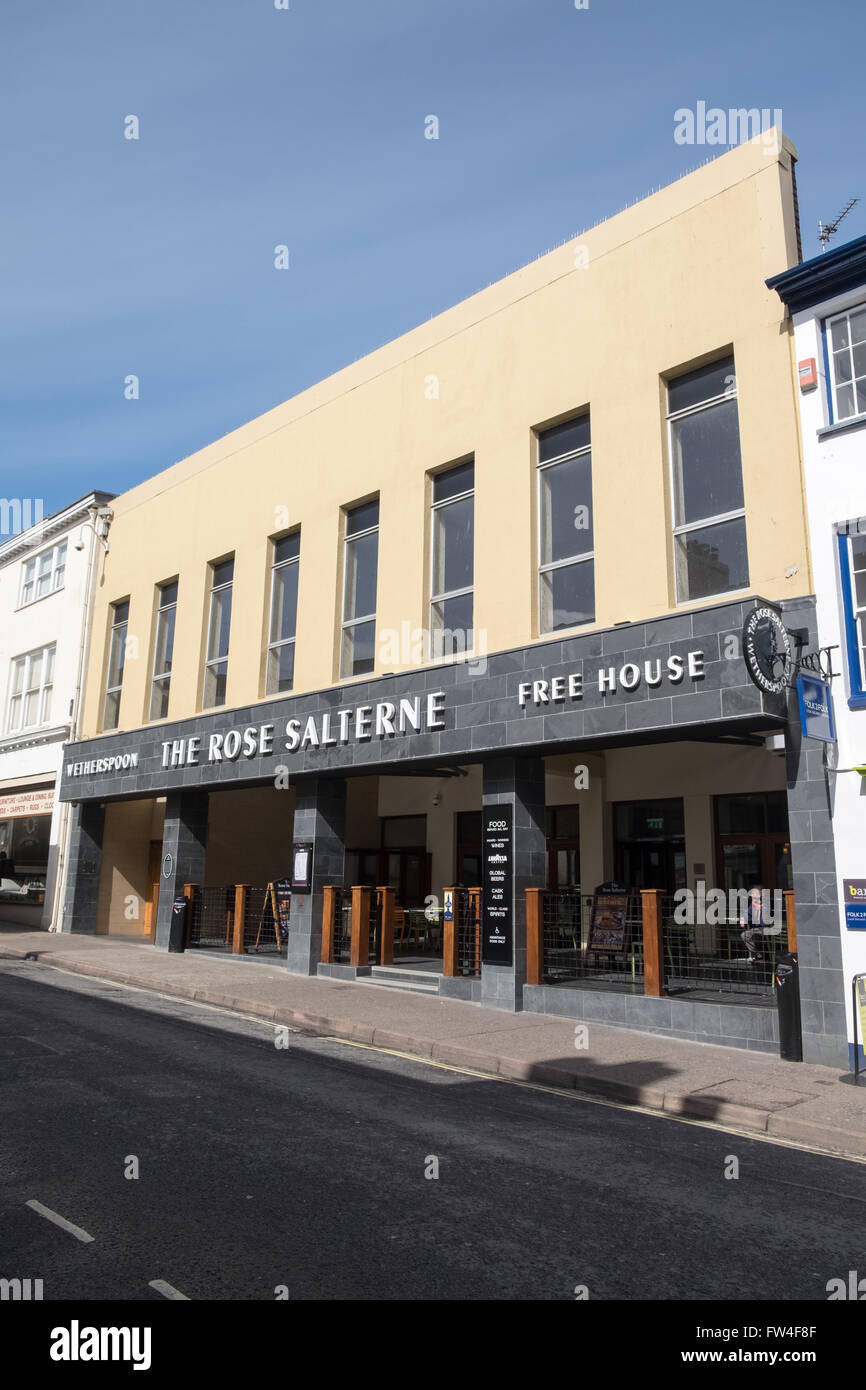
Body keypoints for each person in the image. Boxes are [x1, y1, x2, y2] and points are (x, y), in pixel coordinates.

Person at [739, 886, 780, 962]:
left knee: (756, 936)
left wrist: (761, 909)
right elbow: (747, 913)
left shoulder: (768, 903)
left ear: (761, 894)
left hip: (767, 928)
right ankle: (758, 956)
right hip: (757, 929)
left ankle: (765, 957)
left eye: (754, 893)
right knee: (744, 935)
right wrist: (743, 918)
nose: (752, 895)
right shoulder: (753, 904)